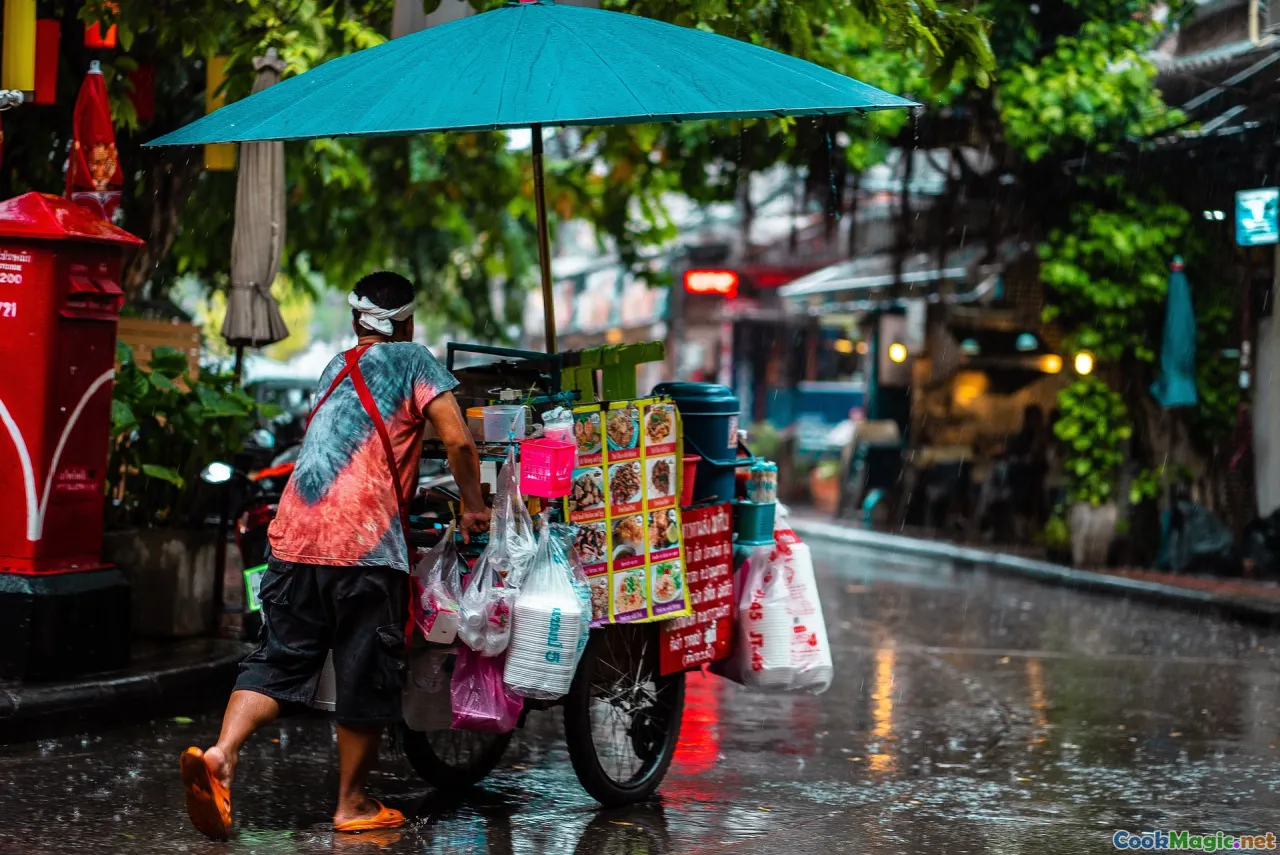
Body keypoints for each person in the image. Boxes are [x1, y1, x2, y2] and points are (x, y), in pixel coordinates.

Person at [180, 271, 491, 840]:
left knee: (278, 660)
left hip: (293, 536)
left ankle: (222, 753)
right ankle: (351, 805)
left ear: (354, 322)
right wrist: (473, 506)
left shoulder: (333, 368)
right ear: (409, 322)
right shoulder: (415, 361)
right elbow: (459, 440)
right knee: (364, 674)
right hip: (364, 547)